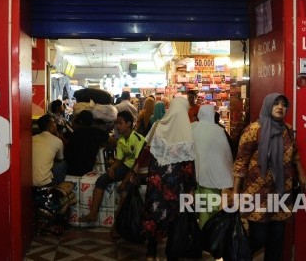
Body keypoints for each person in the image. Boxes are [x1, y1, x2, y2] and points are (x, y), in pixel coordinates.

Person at [232, 93, 306, 261]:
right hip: (257, 193)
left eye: (283, 104)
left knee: (277, 239)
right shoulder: (254, 130)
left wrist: (301, 172)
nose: (280, 107)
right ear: (268, 105)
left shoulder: (287, 130)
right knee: (259, 237)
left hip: (281, 193)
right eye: (276, 103)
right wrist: (236, 193)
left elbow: (295, 154)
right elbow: (241, 162)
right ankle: (238, 256)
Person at [142, 97, 197, 260]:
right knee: (175, 218)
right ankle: (172, 253)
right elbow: (187, 166)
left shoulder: (157, 126)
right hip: (175, 185)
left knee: (154, 215)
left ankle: (151, 253)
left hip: (156, 182)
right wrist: (191, 189)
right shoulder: (187, 131)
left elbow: (146, 150)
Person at [80, 110, 145, 222]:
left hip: (138, 169)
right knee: (101, 180)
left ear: (129, 124)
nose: (117, 126)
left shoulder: (138, 139)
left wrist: (124, 182)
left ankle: (118, 225)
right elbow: (118, 160)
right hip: (127, 167)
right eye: (116, 123)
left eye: (120, 123)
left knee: (125, 190)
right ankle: (93, 214)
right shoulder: (120, 140)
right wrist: (112, 168)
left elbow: (137, 164)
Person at [191, 105, 234, 228]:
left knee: (198, 206)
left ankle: (199, 233)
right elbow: (225, 154)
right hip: (213, 177)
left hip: (196, 174)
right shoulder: (218, 131)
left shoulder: (193, 128)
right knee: (209, 208)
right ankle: (206, 236)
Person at [65, 110, 116, 176]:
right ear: (92, 121)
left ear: (80, 121)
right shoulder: (97, 132)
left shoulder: (74, 133)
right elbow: (114, 142)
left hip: (71, 169)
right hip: (88, 169)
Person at [32, 114, 67, 187]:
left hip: (27, 181)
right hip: (45, 183)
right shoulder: (57, 141)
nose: (56, 125)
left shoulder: (32, 138)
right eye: (54, 123)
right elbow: (60, 158)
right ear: (50, 127)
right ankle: (57, 187)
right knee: (62, 164)